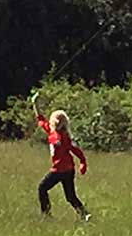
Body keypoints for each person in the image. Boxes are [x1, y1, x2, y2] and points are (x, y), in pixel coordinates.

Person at [32, 92, 91, 221]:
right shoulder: (51, 131)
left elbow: (76, 150)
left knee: (42, 188)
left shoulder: (64, 137)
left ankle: (46, 216)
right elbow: (40, 119)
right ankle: (84, 214)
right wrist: (35, 104)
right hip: (68, 170)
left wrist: (83, 162)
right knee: (70, 196)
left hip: (60, 170)